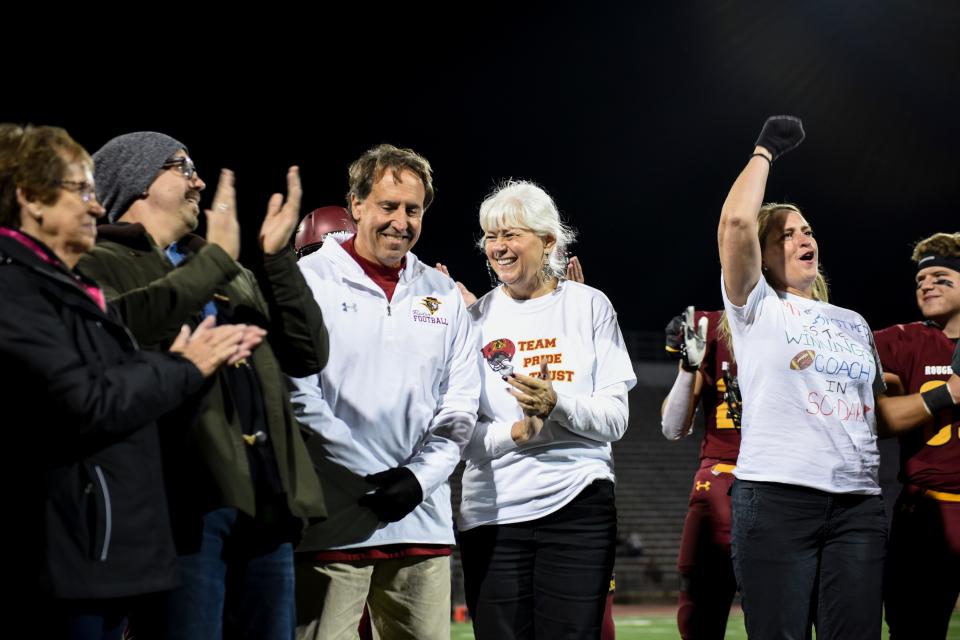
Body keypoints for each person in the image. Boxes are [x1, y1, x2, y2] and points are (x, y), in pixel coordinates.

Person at [0, 124, 254, 639]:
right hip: (62, 560)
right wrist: (184, 366)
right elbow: (86, 401)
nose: (97, 208)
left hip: (97, 555)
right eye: (82, 192)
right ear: (30, 198)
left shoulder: (62, 284)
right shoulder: (12, 287)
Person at [77, 131, 328, 639]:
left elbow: (306, 354)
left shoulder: (226, 266)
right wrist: (214, 260)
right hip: (181, 505)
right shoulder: (95, 262)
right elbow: (119, 340)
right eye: (180, 166)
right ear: (136, 181)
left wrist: (277, 260)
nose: (199, 180)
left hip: (266, 499)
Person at [717, 115, 960, 639]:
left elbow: (878, 416)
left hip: (857, 503)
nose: (804, 237)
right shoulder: (756, 307)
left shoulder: (852, 323)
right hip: (777, 498)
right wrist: (765, 151)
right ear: (763, 253)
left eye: (807, 230)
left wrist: (946, 392)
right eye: (786, 233)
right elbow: (735, 224)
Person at [289, 144, 480, 640]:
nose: (401, 221)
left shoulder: (441, 294)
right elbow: (299, 394)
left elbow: (459, 404)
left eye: (412, 210)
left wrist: (419, 479)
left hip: (422, 520)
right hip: (333, 519)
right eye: (388, 206)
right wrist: (366, 477)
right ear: (355, 205)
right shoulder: (308, 281)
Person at [456, 180, 636, 639]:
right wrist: (515, 434)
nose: (499, 247)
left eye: (512, 234)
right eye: (491, 237)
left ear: (549, 241)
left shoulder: (590, 305)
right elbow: (460, 437)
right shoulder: (472, 320)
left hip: (578, 504)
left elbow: (615, 420)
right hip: (492, 513)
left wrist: (557, 404)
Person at [873, 232, 960, 639]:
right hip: (926, 512)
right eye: (920, 281)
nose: (925, 285)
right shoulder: (901, 341)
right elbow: (876, 421)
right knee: (912, 629)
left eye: (940, 277)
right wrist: (949, 393)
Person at [661, 307, 741, 639]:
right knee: (699, 617)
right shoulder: (710, 326)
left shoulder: (799, 325)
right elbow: (671, 427)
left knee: (780, 615)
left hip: (780, 481)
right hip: (721, 476)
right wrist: (687, 368)